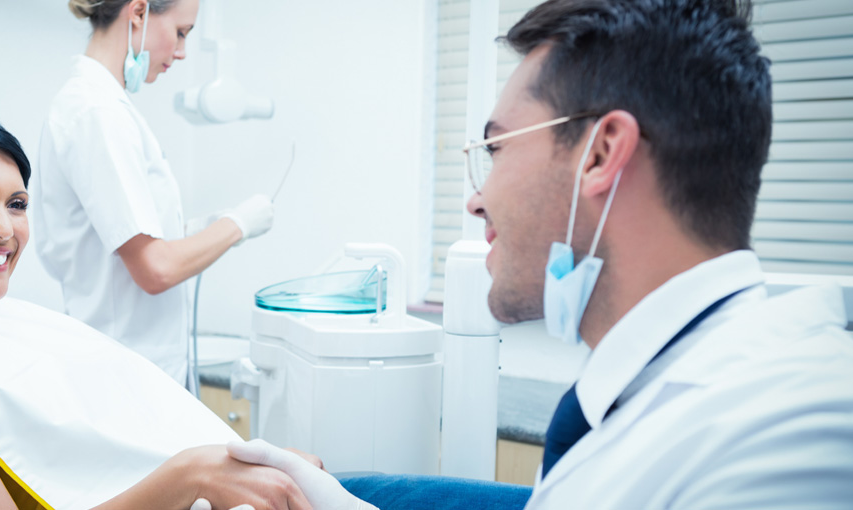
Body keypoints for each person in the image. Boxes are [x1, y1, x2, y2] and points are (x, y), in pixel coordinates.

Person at [230, 0, 853, 508]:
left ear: (603, 153)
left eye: (496, 149)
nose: (476, 201)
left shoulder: (793, 431)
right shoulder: (642, 388)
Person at [0, 105, 313, 510]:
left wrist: (252, 465)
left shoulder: (16, 322)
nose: (3, 229)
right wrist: (191, 477)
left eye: (17, 204)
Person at [35, 0, 274, 387]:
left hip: (138, 367)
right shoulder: (97, 112)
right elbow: (155, 269)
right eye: (181, 33)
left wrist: (197, 229)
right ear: (139, 12)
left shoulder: (104, 107)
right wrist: (237, 225)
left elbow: (124, 237)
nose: (181, 52)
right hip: (124, 372)